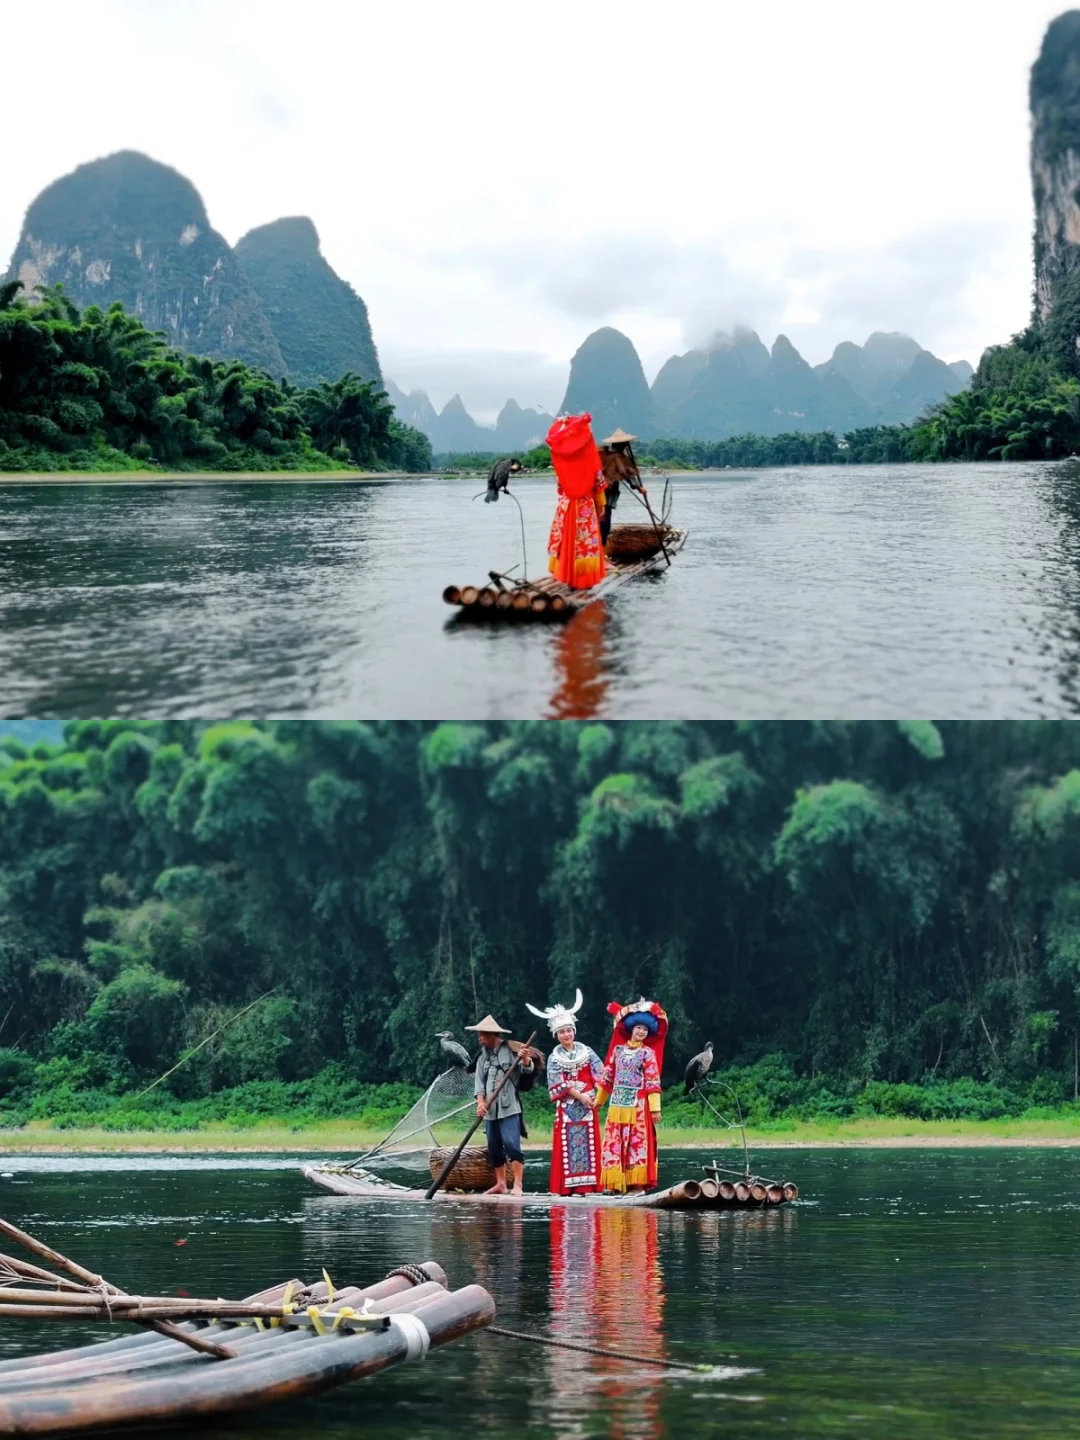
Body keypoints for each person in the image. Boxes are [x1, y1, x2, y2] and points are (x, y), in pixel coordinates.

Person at [527, 989, 605, 1196]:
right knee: (566, 1146)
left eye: (569, 1030)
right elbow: (556, 1084)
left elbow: (601, 1074)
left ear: (574, 1031)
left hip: (589, 1104)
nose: (566, 1035)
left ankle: (589, 1187)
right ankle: (568, 1188)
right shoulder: (554, 1058)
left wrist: (598, 1095)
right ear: (556, 1035)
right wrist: (580, 1096)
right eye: (562, 1032)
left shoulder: (587, 1051)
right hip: (569, 1107)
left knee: (590, 1144)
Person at [596, 998, 668, 1194]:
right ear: (631, 1029)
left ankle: (636, 1184)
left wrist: (655, 1109)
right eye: (638, 1027)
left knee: (637, 1143)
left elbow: (653, 1081)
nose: (641, 1032)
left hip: (638, 1105)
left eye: (645, 1029)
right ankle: (617, 1184)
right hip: (617, 1104)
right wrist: (599, 1101)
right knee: (615, 1142)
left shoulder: (648, 1054)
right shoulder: (618, 1052)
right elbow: (608, 1077)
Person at [467, 1013, 536, 1195]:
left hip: (509, 1108)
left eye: (482, 1035)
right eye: (479, 1035)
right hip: (490, 1110)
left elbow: (527, 1070)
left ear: (492, 1035)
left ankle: (518, 1185)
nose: (480, 1038)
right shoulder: (482, 1057)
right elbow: (479, 1084)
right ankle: (501, 1184)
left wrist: (526, 1058)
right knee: (494, 1147)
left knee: (511, 1144)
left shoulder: (512, 1050)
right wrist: (480, 1103)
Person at [545, 414, 606, 589]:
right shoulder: (590, 460)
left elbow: (560, 487)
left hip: (566, 505)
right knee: (584, 542)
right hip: (584, 505)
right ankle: (583, 581)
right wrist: (601, 505)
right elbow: (599, 484)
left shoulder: (562, 461)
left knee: (566, 540)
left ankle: (567, 577)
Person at [596, 428, 644, 546]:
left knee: (599, 523)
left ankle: (600, 553)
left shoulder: (601, 454)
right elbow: (630, 476)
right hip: (605, 495)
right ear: (625, 445)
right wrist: (640, 488)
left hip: (596, 494)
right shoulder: (620, 458)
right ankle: (603, 553)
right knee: (604, 525)